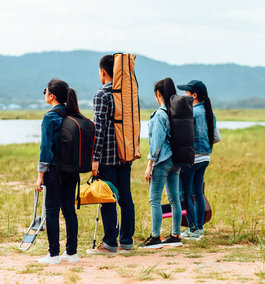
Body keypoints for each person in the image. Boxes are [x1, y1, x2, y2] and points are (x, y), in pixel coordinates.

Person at [87, 55, 135, 255]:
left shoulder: (102, 95)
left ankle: (109, 243)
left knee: (108, 198)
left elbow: (99, 129)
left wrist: (94, 158)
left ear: (103, 72)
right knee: (125, 198)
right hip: (126, 154)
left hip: (106, 157)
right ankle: (126, 241)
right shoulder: (128, 94)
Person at [35, 79, 80, 264]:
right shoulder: (73, 114)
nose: (44, 93)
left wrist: (40, 176)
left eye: (45, 91)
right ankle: (71, 253)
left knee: (52, 211)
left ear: (52, 96)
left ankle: (53, 254)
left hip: (54, 171)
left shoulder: (50, 117)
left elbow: (45, 149)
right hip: (72, 170)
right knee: (69, 211)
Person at [140, 78, 183, 249]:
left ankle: (155, 237)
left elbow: (156, 143)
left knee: (155, 200)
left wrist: (150, 164)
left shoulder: (160, 114)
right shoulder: (177, 112)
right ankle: (175, 235)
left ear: (158, 94)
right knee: (174, 199)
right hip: (176, 160)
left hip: (163, 160)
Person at [177, 80, 220, 240]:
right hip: (205, 158)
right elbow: (216, 137)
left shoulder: (190, 113)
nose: (184, 95)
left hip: (190, 159)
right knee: (198, 193)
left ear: (194, 95)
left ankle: (193, 230)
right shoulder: (209, 113)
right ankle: (199, 229)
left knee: (185, 194)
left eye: (186, 92)